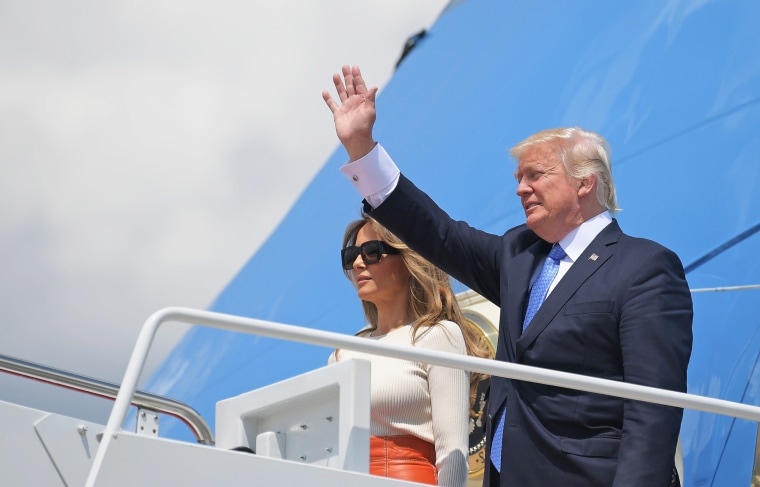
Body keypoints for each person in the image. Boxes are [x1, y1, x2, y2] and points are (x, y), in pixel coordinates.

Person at [323, 65, 693, 487]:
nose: (520, 189)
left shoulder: (643, 268)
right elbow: (437, 232)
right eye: (518, 178)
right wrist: (362, 150)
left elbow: (654, 408)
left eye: (535, 175)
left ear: (585, 183)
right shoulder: (518, 255)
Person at [329, 214, 490, 487]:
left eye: (371, 252)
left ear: (409, 259)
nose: (357, 263)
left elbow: (452, 452)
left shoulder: (438, 335)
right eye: (351, 255)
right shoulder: (343, 353)